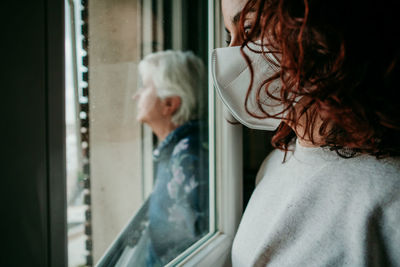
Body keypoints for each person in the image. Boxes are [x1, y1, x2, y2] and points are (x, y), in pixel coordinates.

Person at [213, 0, 400, 266]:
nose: (230, 54)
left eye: (249, 28)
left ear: (318, 31)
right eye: (228, 35)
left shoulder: (389, 197)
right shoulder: (275, 164)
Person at [130, 50, 209, 266]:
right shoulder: (180, 150)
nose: (136, 95)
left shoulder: (187, 157)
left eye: (145, 86)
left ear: (169, 104)